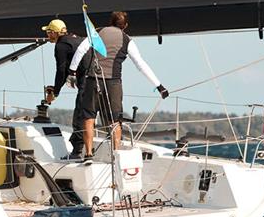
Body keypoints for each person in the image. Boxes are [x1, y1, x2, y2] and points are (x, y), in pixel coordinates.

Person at [69, 11, 169, 156]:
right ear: (126, 25)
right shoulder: (127, 40)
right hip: (114, 84)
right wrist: (159, 86)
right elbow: (140, 64)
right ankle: (116, 154)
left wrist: (72, 73)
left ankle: (88, 154)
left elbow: (80, 50)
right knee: (115, 120)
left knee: (89, 117)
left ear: (110, 21)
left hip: (93, 79)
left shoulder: (97, 32)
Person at [41, 18, 90, 160]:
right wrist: (57, 87)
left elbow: (61, 71)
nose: (48, 35)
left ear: (55, 33)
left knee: (79, 117)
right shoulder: (78, 39)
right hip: (97, 79)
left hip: (86, 83)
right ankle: (90, 149)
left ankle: (77, 152)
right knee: (89, 115)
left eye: (49, 32)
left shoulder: (61, 46)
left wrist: (55, 92)